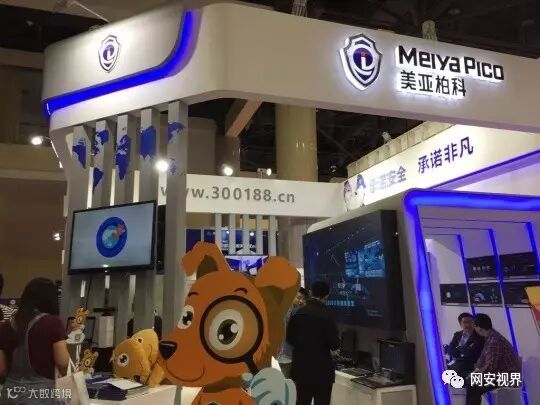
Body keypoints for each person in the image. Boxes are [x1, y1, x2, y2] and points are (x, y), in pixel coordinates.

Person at [0, 278, 70, 404]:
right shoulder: (52, 323)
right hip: (40, 395)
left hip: (9, 394)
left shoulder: (5, 326)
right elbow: (62, 362)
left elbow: (1, 367)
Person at [287, 281, 340, 405]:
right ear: (327, 295)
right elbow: (334, 344)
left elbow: (290, 339)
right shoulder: (327, 314)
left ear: (310, 293)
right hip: (322, 370)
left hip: (301, 369)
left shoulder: (298, 313)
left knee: (302, 401)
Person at [466, 313, 521, 405]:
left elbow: (491, 367)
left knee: (473, 384)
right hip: (501, 374)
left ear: (478, 327)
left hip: (509, 377)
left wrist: (476, 374)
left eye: (474, 326)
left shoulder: (494, 340)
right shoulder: (490, 336)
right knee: (471, 381)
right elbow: (482, 359)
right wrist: (476, 370)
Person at [277, 287, 308, 378]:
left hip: (289, 354)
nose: (301, 301)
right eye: (299, 298)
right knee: (285, 380)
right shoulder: (288, 311)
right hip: (285, 354)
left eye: (303, 299)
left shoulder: (294, 310)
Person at [447, 312, 484, 377]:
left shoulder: (479, 336)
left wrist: (459, 350)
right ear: (460, 324)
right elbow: (450, 350)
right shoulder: (457, 334)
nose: (468, 325)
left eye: (470, 322)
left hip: (470, 364)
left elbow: (473, 354)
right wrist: (461, 352)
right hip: (457, 362)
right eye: (465, 322)